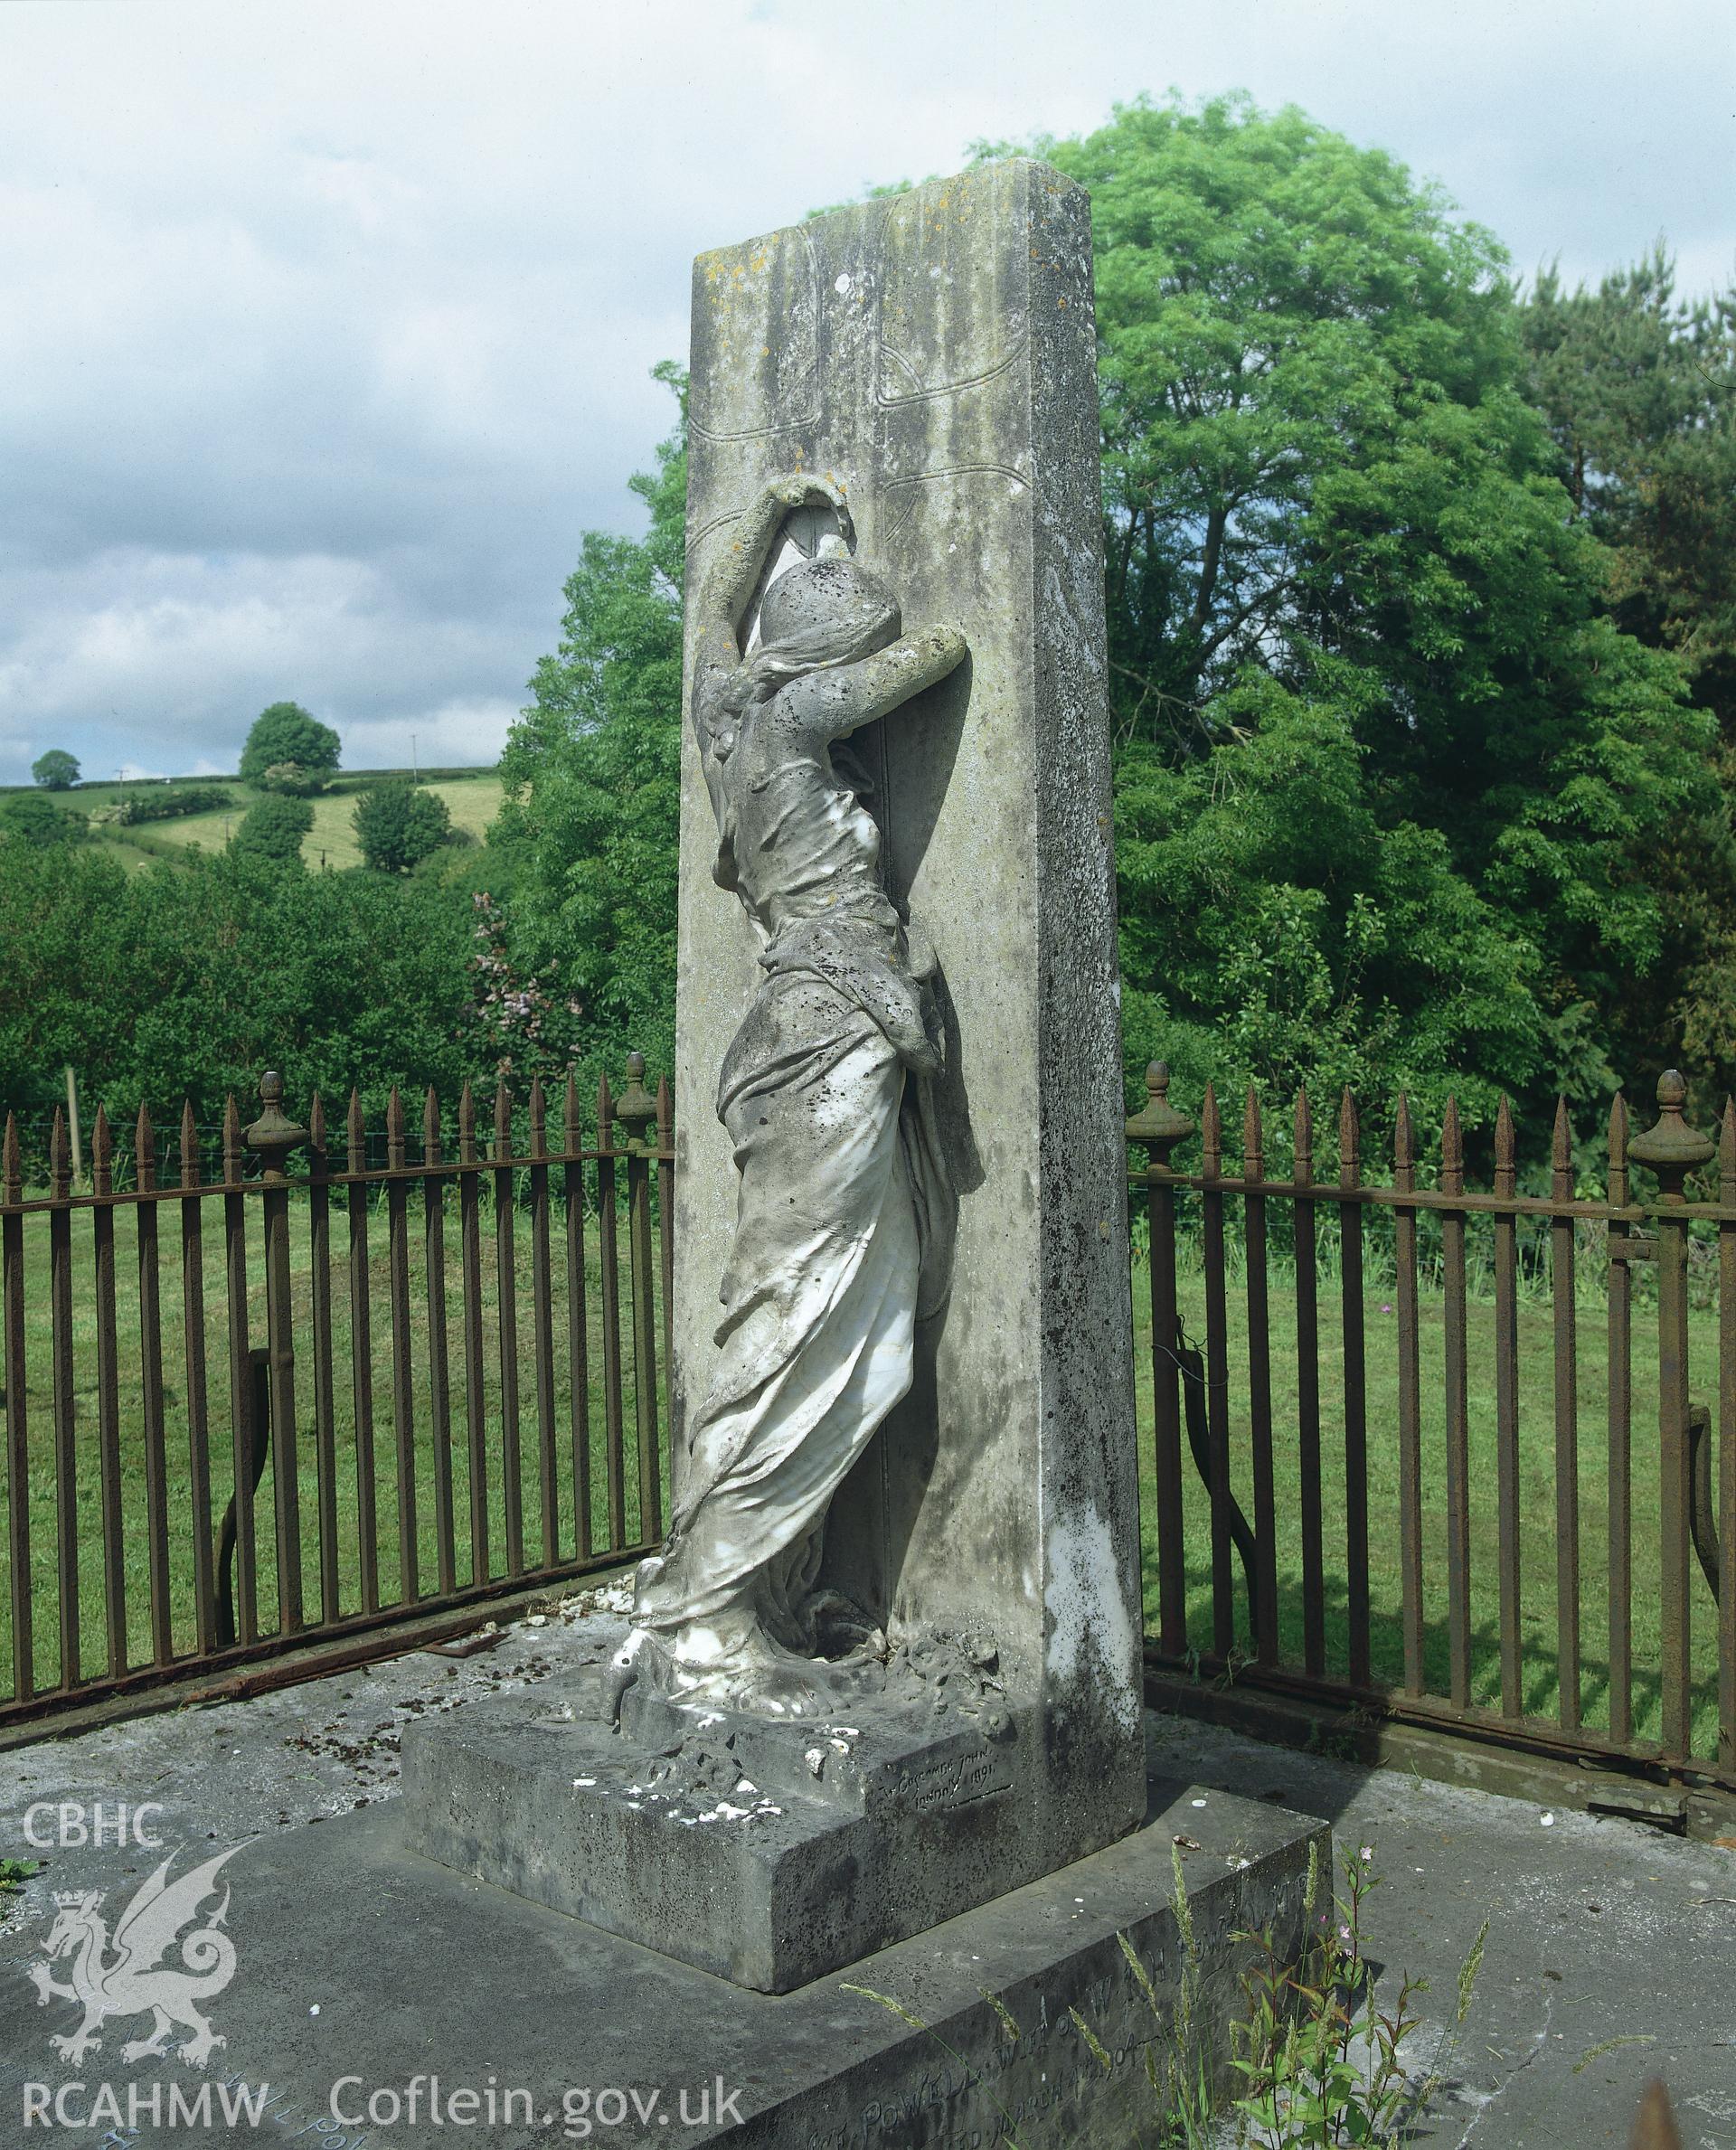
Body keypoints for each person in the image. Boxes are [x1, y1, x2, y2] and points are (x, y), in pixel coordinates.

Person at [613, 473, 967, 1717]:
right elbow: (925, 661)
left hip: (803, 1026)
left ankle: (762, 1578)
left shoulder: (723, 709)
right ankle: (703, 1608)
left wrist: (767, 512)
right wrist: (924, 630)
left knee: (839, 1305)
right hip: (834, 1032)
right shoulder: (800, 715)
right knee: (798, 1319)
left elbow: (708, 622)